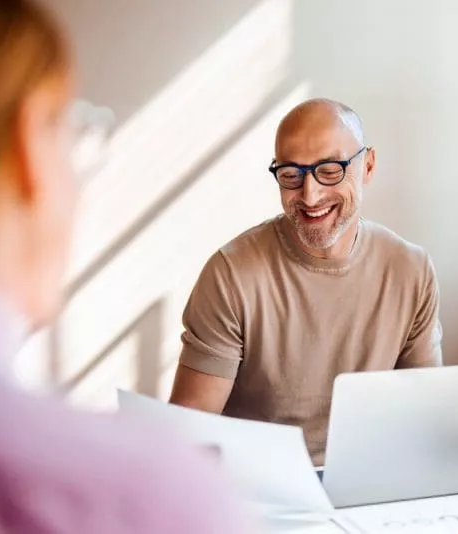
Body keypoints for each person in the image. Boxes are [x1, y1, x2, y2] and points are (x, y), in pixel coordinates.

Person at [0, 1, 253, 532]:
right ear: (29, 145)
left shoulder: (405, 269)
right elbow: (193, 420)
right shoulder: (152, 493)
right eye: (72, 131)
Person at [169, 98, 443, 466]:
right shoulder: (230, 274)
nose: (309, 195)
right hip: (259, 492)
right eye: (291, 175)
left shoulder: (411, 269)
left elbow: (424, 418)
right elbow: (188, 436)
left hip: (367, 486)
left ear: (368, 166)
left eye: (329, 170)